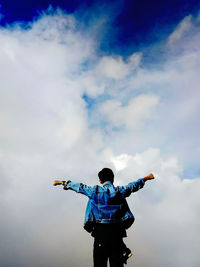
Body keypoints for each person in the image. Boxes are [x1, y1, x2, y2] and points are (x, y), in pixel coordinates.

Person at [53, 168, 154, 267]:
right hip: (117, 233)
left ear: (100, 181)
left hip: (100, 233)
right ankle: (124, 250)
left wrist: (64, 183)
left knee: (100, 264)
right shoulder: (120, 191)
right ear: (113, 179)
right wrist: (145, 178)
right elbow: (132, 186)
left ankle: (124, 250)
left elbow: (80, 187)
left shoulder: (95, 191)